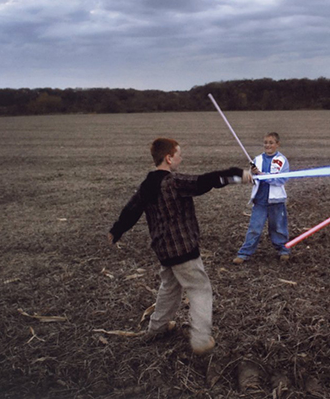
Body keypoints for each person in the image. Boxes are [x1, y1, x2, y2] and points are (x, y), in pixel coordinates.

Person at [108, 138, 252, 354]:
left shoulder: (147, 185)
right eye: (179, 155)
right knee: (200, 289)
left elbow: (131, 210)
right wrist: (239, 175)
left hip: (163, 251)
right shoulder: (173, 181)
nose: (181, 158)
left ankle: (157, 328)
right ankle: (201, 340)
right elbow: (207, 181)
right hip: (183, 250)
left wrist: (116, 230)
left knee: (169, 288)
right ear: (169, 158)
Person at [233, 132, 291, 264]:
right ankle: (244, 253)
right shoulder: (257, 160)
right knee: (255, 227)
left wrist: (262, 174)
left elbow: (281, 180)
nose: (268, 145)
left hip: (276, 201)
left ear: (277, 144)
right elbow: (253, 180)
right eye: (265, 143)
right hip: (260, 201)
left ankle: (283, 250)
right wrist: (252, 175)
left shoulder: (282, 161)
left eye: (271, 143)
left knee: (278, 227)